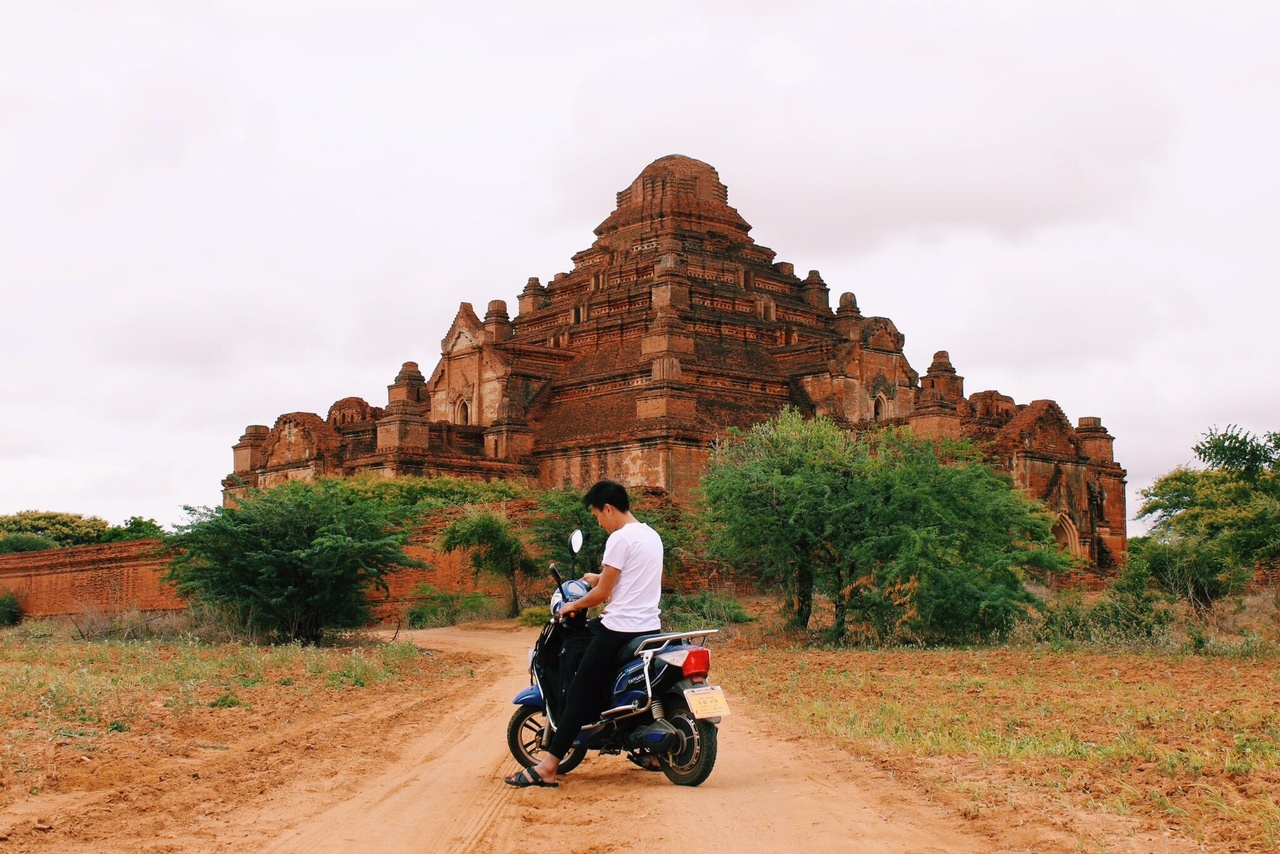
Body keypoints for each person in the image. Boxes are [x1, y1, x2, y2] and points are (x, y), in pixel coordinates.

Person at [504, 479, 663, 788]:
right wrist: (597, 576)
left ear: (608, 508)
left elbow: (603, 595)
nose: (599, 523)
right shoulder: (650, 535)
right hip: (650, 627)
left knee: (578, 688)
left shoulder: (619, 539)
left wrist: (572, 605)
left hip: (619, 629)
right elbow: (629, 578)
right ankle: (651, 752)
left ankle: (549, 766)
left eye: (597, 516)